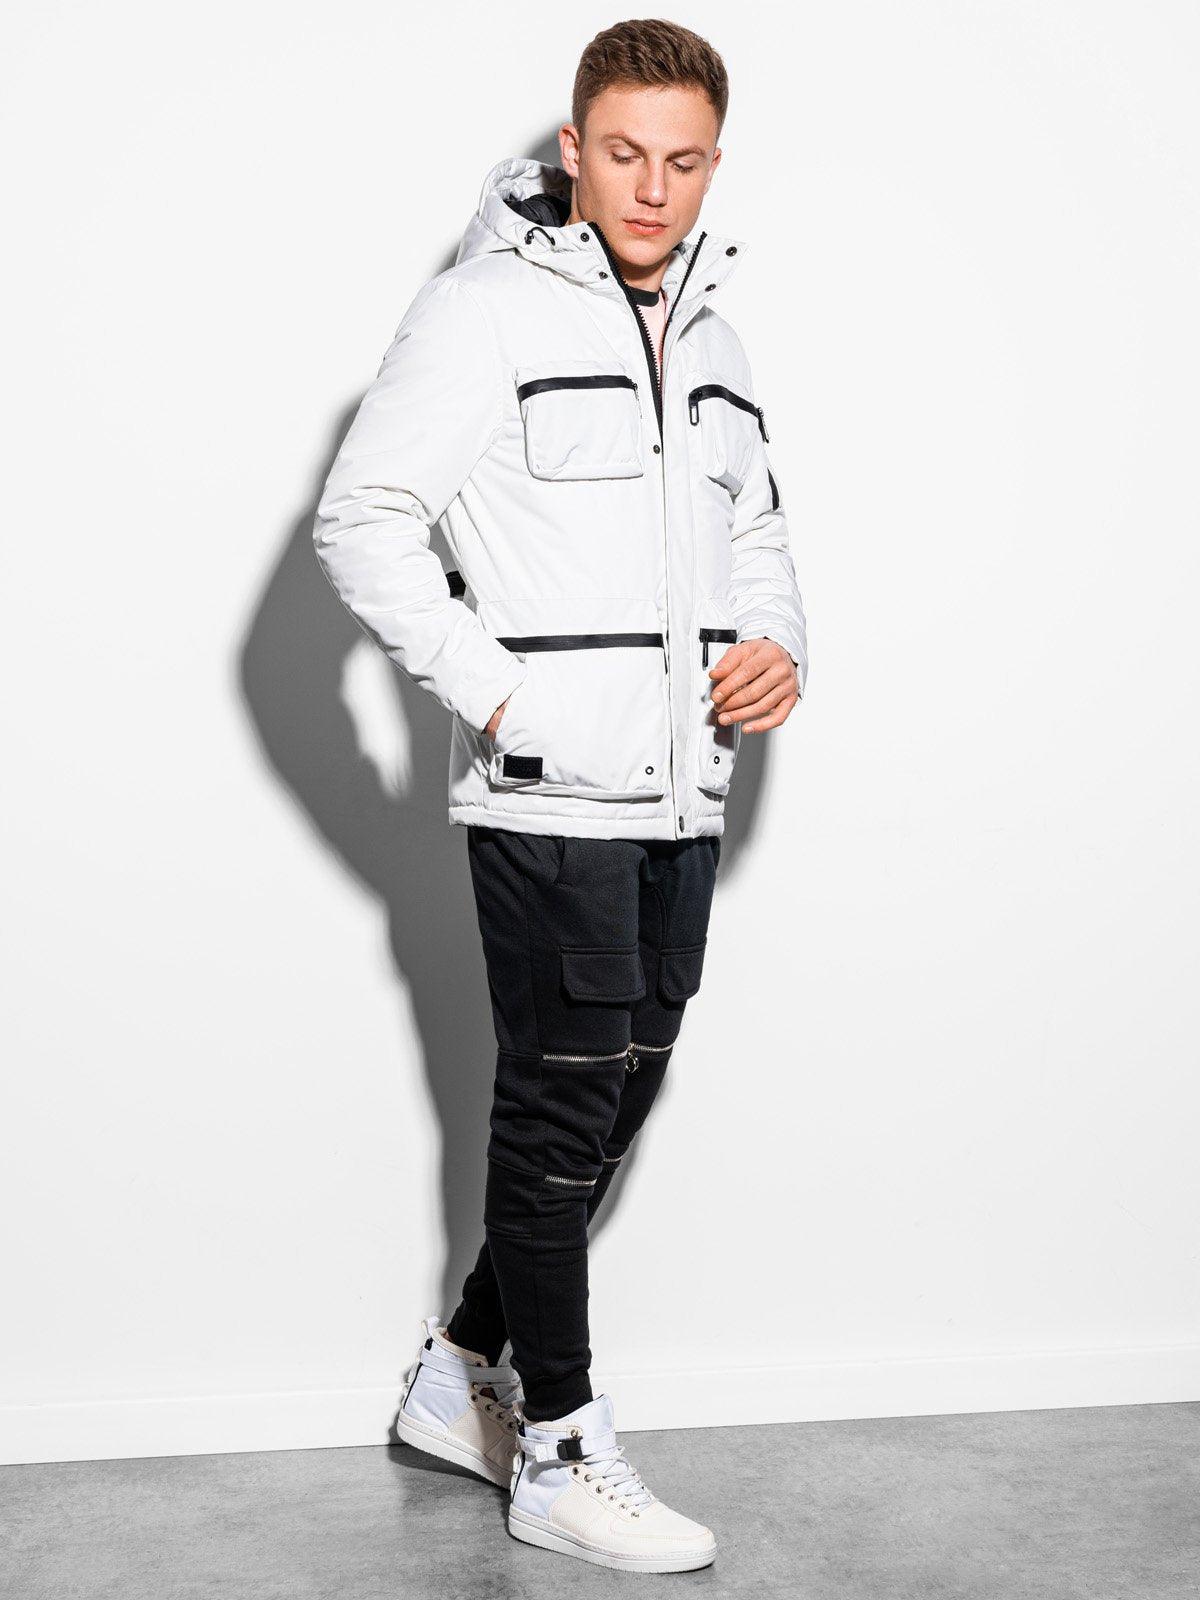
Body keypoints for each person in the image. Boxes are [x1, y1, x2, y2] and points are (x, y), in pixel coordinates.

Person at [312, 17, 808, 1575]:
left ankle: (460, 1372)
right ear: (575, 149)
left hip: (683, 796)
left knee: (622, 1091)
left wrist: (777, 645)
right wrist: (503, 696)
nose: (652, 189)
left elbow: (759, 531)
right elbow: (362, 518)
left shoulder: (718, 339)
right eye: (624, 154)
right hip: (550, 802)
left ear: (713, 164)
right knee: (557, 1108)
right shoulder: (481, 312)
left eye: (683, 160)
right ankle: (562, 1448)